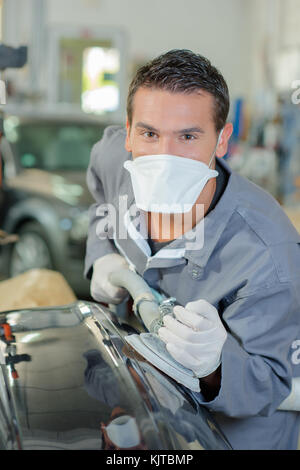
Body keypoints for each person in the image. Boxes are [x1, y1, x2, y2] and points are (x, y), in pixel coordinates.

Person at [84, 49, 300, 450]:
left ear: (222, 140)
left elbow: (274, 382)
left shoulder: (267, 254)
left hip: (234, 434)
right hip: (145, 407)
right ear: (128, 131)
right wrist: (100, 255)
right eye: (150, 134)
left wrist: (216, 367)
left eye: (187, 136)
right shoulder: (115, 159)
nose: (163, 158)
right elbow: (100, 193)